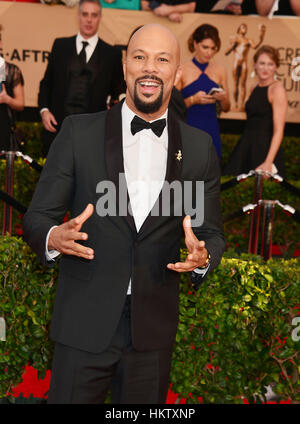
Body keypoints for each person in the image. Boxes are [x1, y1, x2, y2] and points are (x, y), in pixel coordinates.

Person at [22, 24, 225, 404]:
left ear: (177, 72)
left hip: (152, 335)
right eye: (140, 56)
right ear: (125, 65)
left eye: (162, 59)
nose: (150, 67)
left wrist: (202, 258)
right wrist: (53, 237)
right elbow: (36, 218)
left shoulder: (199, 150)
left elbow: (210, 234)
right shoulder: (78, 133)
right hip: (83, 326)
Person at [38, 0, 124, 157]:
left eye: (94, 15)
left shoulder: (112, 54)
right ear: (78, 16)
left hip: (93, 135)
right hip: (58, 129)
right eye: (85, 14)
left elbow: (118, 91)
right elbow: (46, 83)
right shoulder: (60, 45)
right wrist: (44, 111)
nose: (89, 19)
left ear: (100, 18)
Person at [223, 45, 288, 177]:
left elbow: (279, 130)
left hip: (265, 149)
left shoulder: (277, 90)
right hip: (246, 146)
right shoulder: (253, 87)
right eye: (262, 63)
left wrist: (268, 162)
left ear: (276, 67)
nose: (265, 68)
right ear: (255, 65)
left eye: (270, 64)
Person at [176, 24, 230, 159]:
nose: (209, 52)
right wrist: (193, 100)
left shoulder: (220, 70)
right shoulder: (182, 69)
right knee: (187, 174)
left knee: (210, 173)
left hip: (211, 128)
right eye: (205, 47)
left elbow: (227, 108)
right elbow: (173, 106)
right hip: (188, 129)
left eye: (213, 48)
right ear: (195, 44)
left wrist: (222, 98)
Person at [225, 22, 266, 112]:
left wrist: (261, 35)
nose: (245, 29)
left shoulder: (248, 40)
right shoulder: (234, 39)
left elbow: (256, 46)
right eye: (243, 27)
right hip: (236, 62)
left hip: (244, 63)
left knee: (242, 84)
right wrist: (233, 45)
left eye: (246, 27)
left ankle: (241, 105)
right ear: (239, 28)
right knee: (235, 83)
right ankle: (235, 104)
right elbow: (226, 52)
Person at [0, 25, 24, 152]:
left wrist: (6, 99)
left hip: (4, 131)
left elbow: (20, 104)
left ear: (0, 43)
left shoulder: (12, 70)